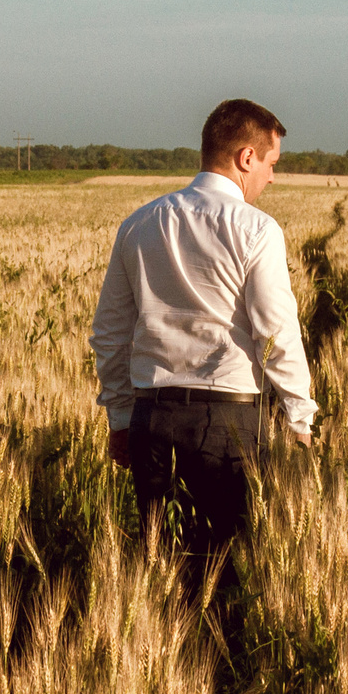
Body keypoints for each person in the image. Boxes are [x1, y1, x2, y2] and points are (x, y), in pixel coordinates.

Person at [90, 99, 317, 607]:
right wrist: (299, 414)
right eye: (271, 163)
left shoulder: (139, 223)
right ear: (245, 157)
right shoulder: (257, 229)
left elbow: (110, 333)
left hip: (151, 417)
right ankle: (216, 669)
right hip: (227, 424)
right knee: (229, 568)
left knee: (158, 570)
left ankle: (157, 671)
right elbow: (275, 333)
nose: (273, 178)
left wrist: (122, 418)